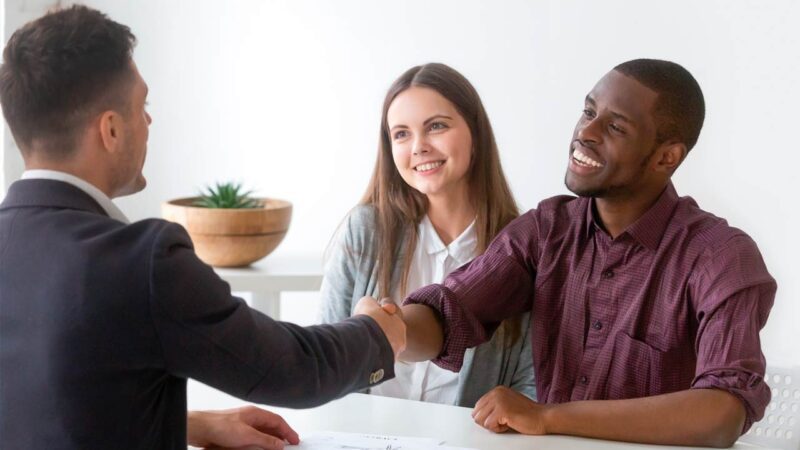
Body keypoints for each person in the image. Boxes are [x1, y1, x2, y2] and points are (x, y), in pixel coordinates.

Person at [0, 6, 404, 449]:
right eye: (142, 106)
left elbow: (44, 392)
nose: (149, 122)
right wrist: (375, 334)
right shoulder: (141, 262)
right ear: (111, 130)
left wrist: (186, 423)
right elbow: (293, 369)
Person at [371, 59, 776, 447]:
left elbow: (722, 412)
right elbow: (451, 312)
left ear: (665, 157)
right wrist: (388, 332)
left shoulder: (721, 255)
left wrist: (548, 417)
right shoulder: (549, 228)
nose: (587, 132)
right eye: (588, 112)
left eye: (615, 127)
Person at [319, 63, 535, 407]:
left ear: (475, 134)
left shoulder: (526, 245)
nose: (418, 146)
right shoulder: (366, 230)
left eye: (436, 126)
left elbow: (531, 388)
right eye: (401, 134)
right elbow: (324, 364)